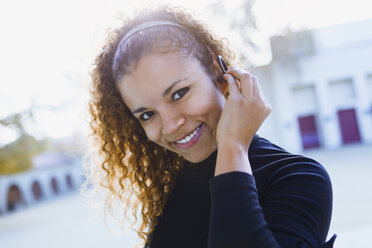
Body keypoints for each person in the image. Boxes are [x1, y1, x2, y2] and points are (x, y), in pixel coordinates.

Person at [88, 4, 336, 248]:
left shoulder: (299, 178)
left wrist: (233, 145)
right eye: (147, 115)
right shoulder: (171, 187)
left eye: (178, 94)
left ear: (219, 74)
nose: (171, 125)